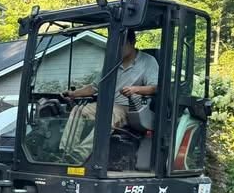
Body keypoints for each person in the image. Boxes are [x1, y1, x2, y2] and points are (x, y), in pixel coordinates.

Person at [58, 30, 159, 161]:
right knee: (79, 110)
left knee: (109, 114)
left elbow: (155, 87)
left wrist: (135, 89)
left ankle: (79, 155)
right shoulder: (112, 63)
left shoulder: (148, 61)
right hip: (109, 105)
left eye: (121, 45)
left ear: (132, 43)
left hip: (132, 108)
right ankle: (65, 151)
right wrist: (73, 94)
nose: (118, 49)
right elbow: (94, 87)